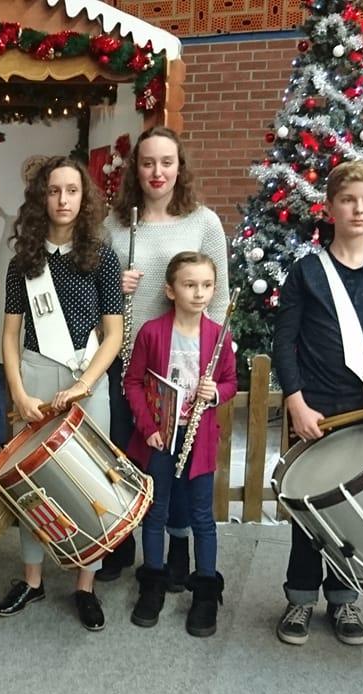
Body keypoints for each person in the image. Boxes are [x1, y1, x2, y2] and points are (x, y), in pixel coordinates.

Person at [272, 160, 363, 647]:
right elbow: (283, 341)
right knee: (311, 507)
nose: (358, 209)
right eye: (348, 200)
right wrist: (296, 402)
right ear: (329, 207)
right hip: (315, 408)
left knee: (355, 508)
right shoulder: (308, 271)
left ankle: (344, 596)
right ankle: (300, 597)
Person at [0, 157, 123, 631]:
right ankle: (32, 578)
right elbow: (9, 336)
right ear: (41, 198)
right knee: (33, 480)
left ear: (84, 198)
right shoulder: (24, 258)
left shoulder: (101, 255)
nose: (63, 200)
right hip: (37, 377)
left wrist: (87, 384)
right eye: (54, 191)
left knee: (91, 481)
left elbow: (113, 332)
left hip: (87, 378)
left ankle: (85, 585)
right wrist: (19, 394)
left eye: (72, 191)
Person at [100, 125, 229, 587]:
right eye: (148, 162)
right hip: (126, 361)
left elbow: (217, 301)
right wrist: (113, 289)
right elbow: (94, 296)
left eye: (167, 162)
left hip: (179, 367)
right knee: (119, 452)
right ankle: (120, 541)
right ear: (136, 168)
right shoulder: (116, 224)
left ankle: (175, 548)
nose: (158, 172)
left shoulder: (203, 222)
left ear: (180, 167)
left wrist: (206, 366)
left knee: (176, 458)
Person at [123, 252, 237, 636]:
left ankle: (205, 590)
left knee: (202, 516)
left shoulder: (220, 336)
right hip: (160, 437)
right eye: (190, 285)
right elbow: (134, 382)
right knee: (156, 512)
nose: (199, 293)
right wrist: (147, 425)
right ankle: (153, 581)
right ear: (171, 290)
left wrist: (215, 392)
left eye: (206, 285)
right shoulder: (153, 332)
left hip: (198, 439)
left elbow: (231, 382)